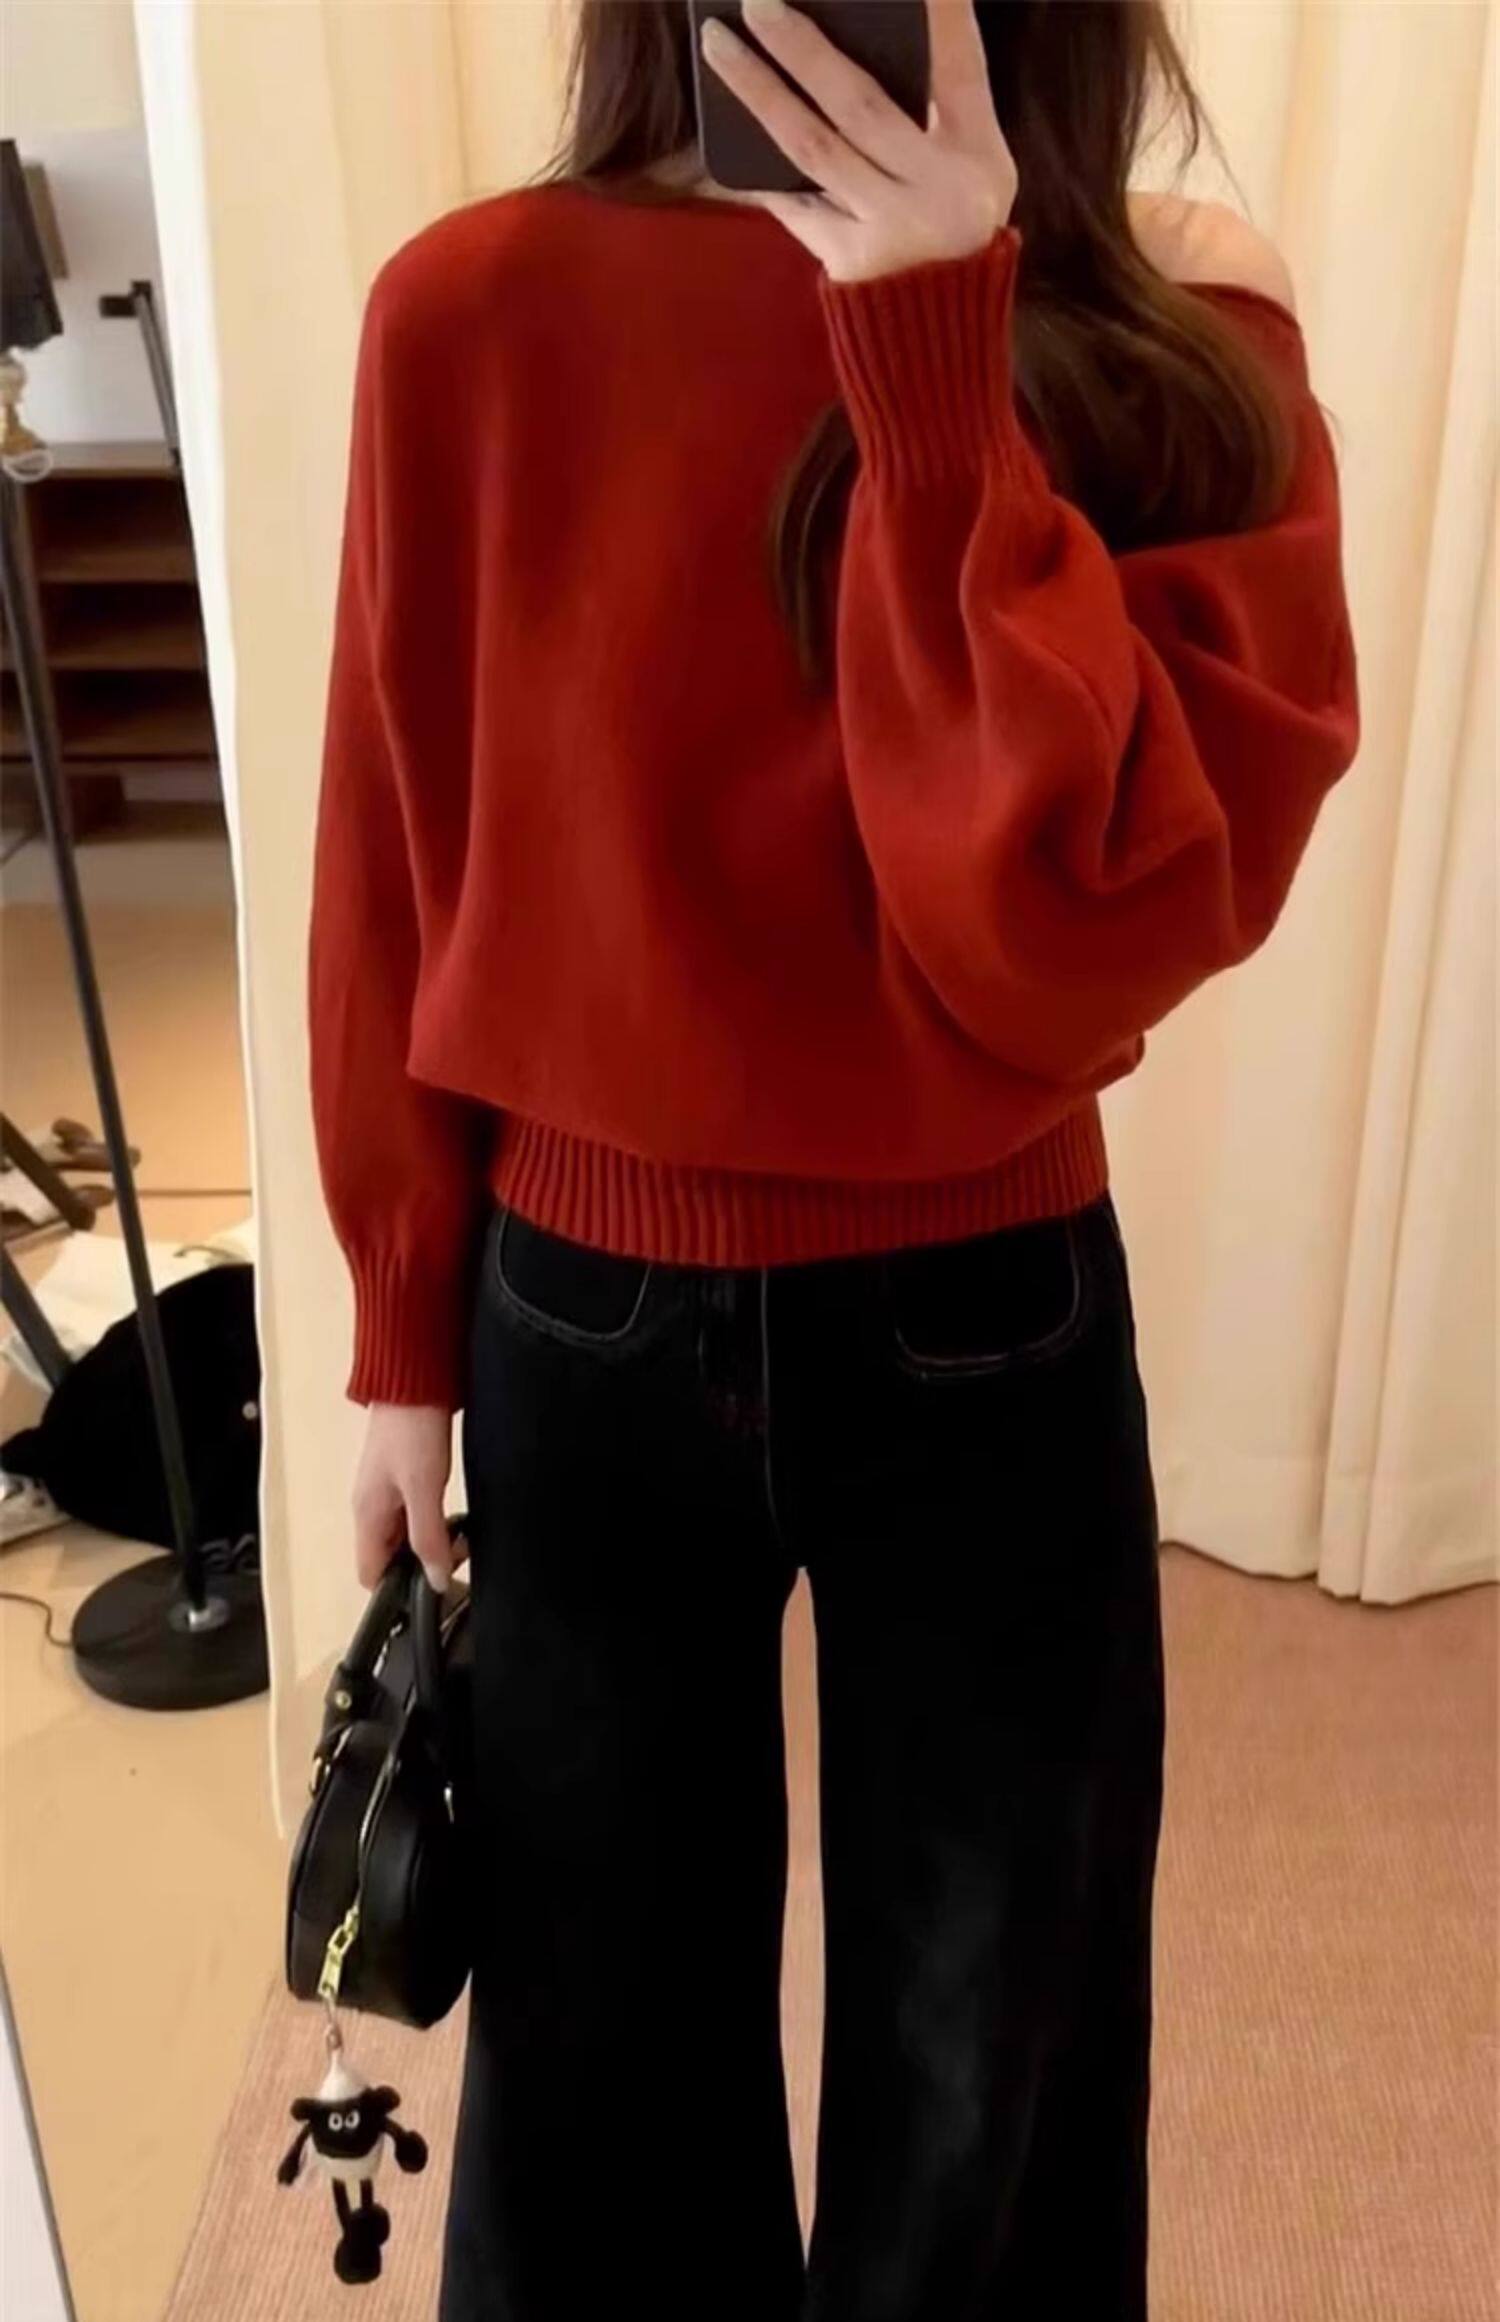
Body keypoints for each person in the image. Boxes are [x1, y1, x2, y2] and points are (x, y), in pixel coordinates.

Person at [305, 3, 1360, 2315]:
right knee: (598, 2060)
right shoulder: (469, 312)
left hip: (982, 1308)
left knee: (999, 2051)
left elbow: (1068, 934)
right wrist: (397, 1330)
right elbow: (398, 839)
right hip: (586, 1307)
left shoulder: (1175, 331)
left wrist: (934, 353)